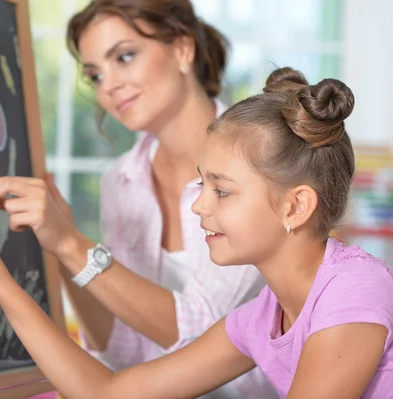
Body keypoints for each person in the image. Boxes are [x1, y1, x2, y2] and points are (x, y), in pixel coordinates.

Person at [0, 67, 393, 398]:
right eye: (200, 183)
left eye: (222, 192)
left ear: (297, 205)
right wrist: (0, 284)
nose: (197, 205)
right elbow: (108, 392)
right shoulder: (261, 317)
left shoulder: (352, 291)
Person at [43, 0, 272, 396]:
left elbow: (206, 334)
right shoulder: (122, 182)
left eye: (124, 57)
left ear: (183, 50)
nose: (108, 85)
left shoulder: (259, 161)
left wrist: (71, 244)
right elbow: (128, 351)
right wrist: (59, 250)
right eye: (95, 75)